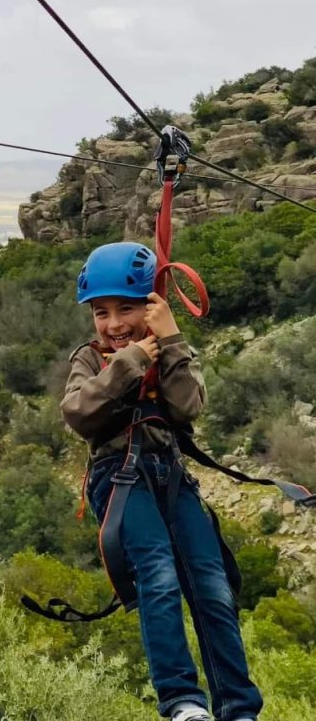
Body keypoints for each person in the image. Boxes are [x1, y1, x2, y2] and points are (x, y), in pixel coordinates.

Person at [60, 241, 262, 721]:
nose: (113, 324)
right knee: (159, 577)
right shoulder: (90, 360)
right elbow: (78, 412)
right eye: (101, 313)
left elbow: (187, 406)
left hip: (170, 472)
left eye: (126, 309)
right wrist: (129, 361)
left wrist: (170, 342)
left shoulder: (170, 350)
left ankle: (238, 706)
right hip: (119, 478)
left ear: (150, 307)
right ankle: (183, 702)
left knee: (211, 582)